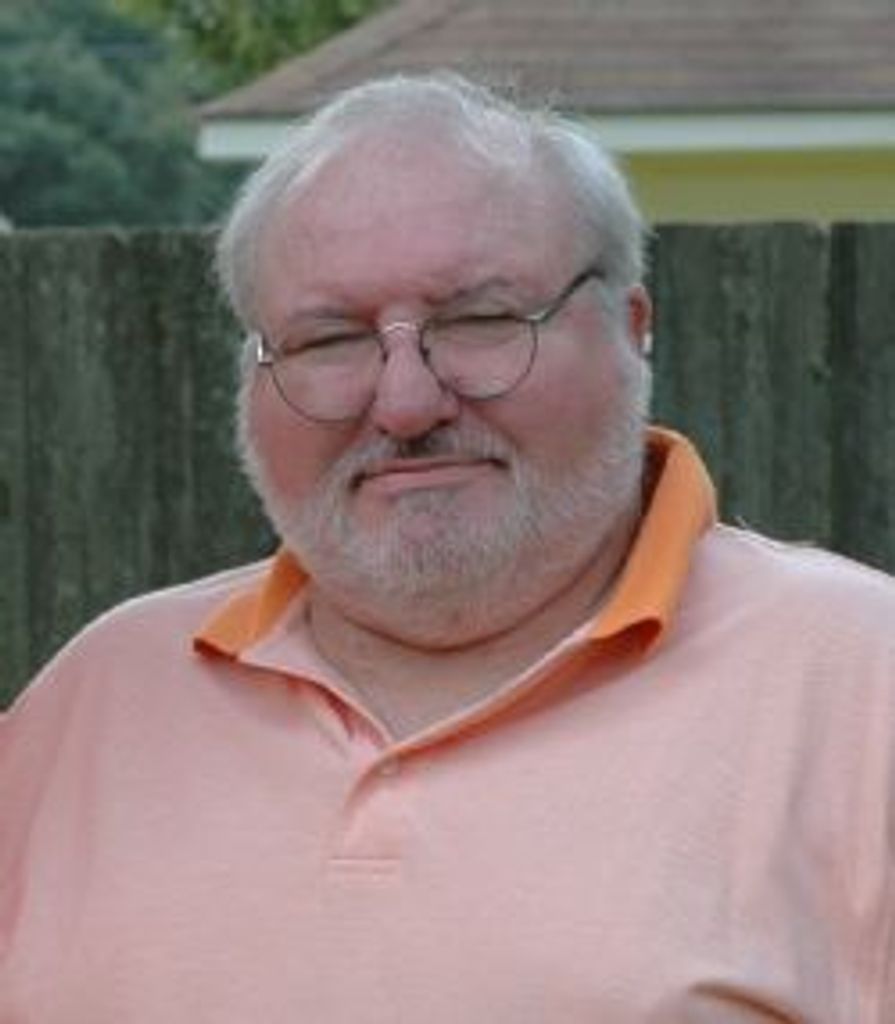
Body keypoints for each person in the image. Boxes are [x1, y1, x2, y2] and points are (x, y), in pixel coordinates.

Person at [1, 72, 893, 1022]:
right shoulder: (99, 699)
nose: (405, 403)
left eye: (479, 322)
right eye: (329, 340)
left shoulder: (859, 685)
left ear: (631, 328)